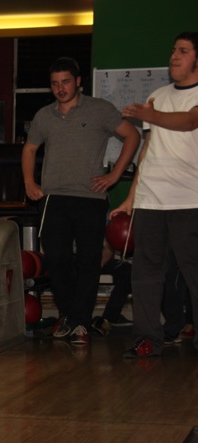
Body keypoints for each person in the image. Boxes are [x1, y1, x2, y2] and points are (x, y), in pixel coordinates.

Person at [22, 57, 140, 346]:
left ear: (77, 82)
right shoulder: (44, 115)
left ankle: (80, 324)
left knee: (88, 263)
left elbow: (132, 136)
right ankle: (70, 316)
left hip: (90, 197)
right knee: (57, 261)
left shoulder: (100, 109)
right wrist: (29, 182)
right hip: (54, 198)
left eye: (65, 82)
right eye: (54, 83)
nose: (60, 88)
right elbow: (30, 148)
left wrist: (115, 174)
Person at [111, 32, 198, 358]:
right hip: (151, 199)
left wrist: (151, 115)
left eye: (183, 51)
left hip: (189, 199)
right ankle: (147, 338)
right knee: (145, 273)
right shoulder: (157, 96)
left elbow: (190, 121)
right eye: (173, 50)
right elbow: (148, 148)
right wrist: (131, 197)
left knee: (193, 272)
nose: (174, 55)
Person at [90, 242, 133, 336]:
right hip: (69, 260)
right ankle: (69, 319)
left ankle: (109, 319)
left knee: (129, 272)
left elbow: (109, 246)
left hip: (95, 259)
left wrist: (95, 267)